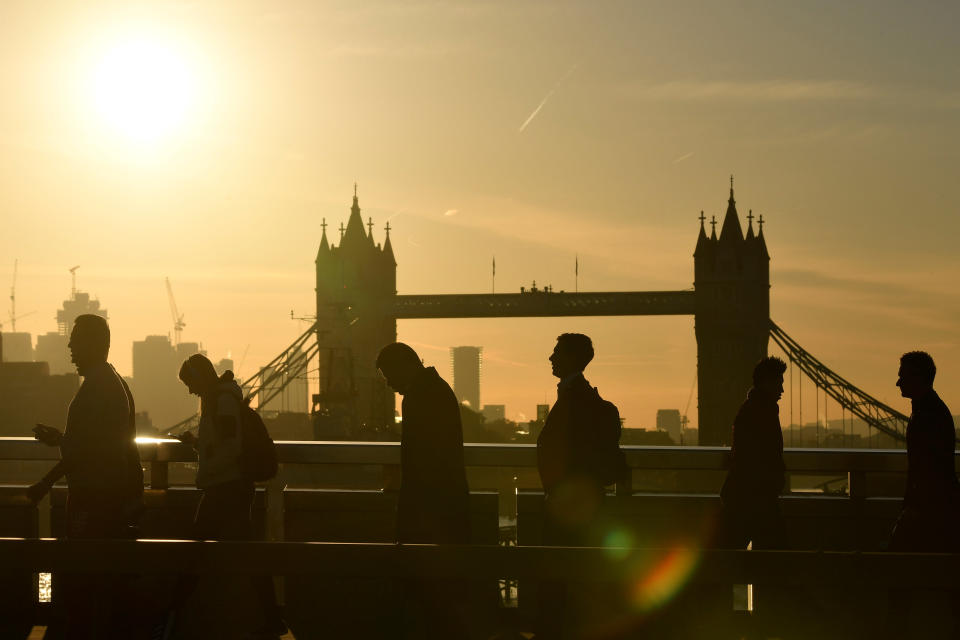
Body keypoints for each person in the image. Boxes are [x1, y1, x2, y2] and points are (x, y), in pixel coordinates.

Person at [28, 314, 144, 639]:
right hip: (109, 499)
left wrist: (44, 483)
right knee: (103, 582)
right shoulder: (113, 382)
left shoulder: (98, 388)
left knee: (81, 580)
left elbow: (89, 450)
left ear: (94, 344)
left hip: (93, 502)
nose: (69, 346)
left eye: (76, 339)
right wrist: (62, 440)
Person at [176, 354, 286, 639]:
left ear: (200, 377)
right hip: (229, 486)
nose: (190, 391)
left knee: (196, 547)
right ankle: (272, 616)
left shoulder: (222, 402)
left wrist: (208, 472)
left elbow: (231, 446)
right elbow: (223, 443)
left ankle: (172, 613)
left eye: (190, 383)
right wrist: (197, 444)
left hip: (226, 488)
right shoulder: (218, 399)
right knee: (244, 552)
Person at [376, 342, 473, 639]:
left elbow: (422, 458)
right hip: (443, 505)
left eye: (389, 375)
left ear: (405, 365)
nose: (390, 385)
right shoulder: (434, 389)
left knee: (428, 588)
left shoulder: (421, 395)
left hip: (429, 510)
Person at [535, 333, 623, 640]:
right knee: (579, 571)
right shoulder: (584, 397)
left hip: (570, 502)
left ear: (571, 358)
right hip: (583, 498)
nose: (551, 357)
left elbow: (562, 448)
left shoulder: (575, 398)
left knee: (563, 570)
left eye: (556, 351)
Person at [888, 351, 959, 552]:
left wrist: (913, 506)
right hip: (937, 507)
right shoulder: (932, 410)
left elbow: (927, 468)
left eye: (903, 376)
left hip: (929, 510)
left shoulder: (926, 416)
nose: (898, 383)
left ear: (918, 378)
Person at [716, 356, 788, 550]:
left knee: (731, 558)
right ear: (766, 382)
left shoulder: (754, 408)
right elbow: (759, 456)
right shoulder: (761, 411)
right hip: (754, 499)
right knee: (770, 559)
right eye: (779, 383)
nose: (782, 390)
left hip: (746, 496)